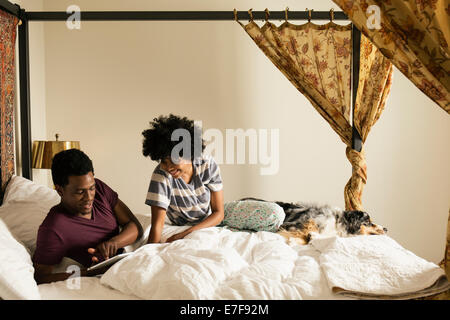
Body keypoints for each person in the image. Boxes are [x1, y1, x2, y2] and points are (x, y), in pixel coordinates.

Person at [142, 114, 285, 244]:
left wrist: (185, 234)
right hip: (184, 223)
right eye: (163, 161)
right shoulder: (161, 176)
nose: (168, 167)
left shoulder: (206, 163)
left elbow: (219, 212)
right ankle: (233, 230)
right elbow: (157, 225)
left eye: (173, 160)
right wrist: (148, 251)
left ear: (188, 153)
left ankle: (232, 229)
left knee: (275, 213)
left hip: (213, 217)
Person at [32, 149, 143, 284]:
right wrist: (90, 272)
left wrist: (113, 243)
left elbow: (135, 226)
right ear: (60, 190)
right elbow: (41, 278)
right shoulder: (53, 228)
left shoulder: (100, 189)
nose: (89, 197)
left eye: (91, 188)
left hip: (133, 259)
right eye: (80, 192)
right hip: (110, 276)